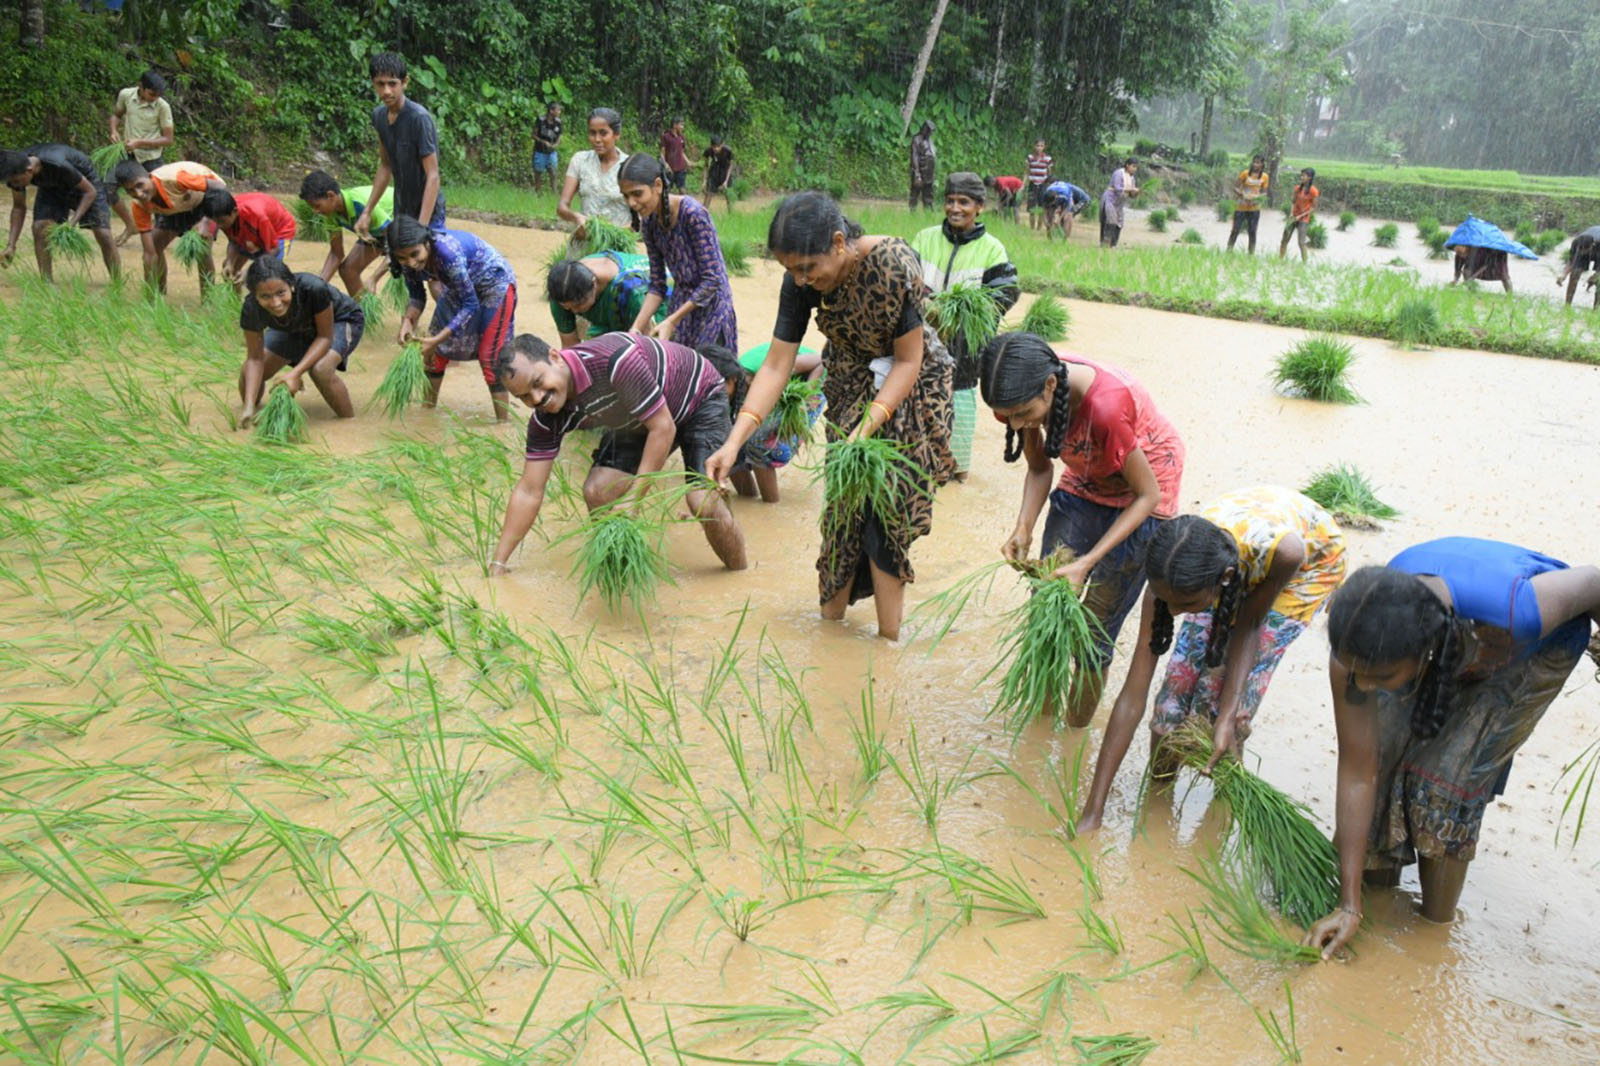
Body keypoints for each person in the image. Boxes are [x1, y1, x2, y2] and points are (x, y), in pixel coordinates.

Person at [1303, 540, 1600, 960]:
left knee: (1445, 781)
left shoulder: (1518, 612)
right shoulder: (1359, 644)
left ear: (1424, 652)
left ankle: (1434, 932)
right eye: (1357, 673)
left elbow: (1593, 581)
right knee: (1382, 767)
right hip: (1436, 638)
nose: (1364, 685)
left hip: (1531, 647)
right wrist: (1349, 904)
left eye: (1380, 677)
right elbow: (1358, 771)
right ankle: (1374, 898)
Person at [705, 192, 956, 641]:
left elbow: (908, 361)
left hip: (912, 388)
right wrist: (733, 442)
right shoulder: (799, 282)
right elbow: (776, 366)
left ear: (839, 242)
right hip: (850, 380)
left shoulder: (891, 264)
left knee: (884, 513)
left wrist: (866, 430)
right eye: (790, 270)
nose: (801, 280)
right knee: (843, 512)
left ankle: (888, 641)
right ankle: (831, 629)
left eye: (807, 268)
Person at [1076, 487, 1347, 832]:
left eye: (1185, 605)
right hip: (1226, 559)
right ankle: (1159, 790)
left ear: (1224, 581)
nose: (1175, 613)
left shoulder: (1285, 554)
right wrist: (1093, 810)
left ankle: (1225, 802)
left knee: (1220, 706)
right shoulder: (1170, 573)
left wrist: (1228, 714)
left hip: (1306, 566)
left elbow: (1249, 624)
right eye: (1169, 602)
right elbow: (1133, 695)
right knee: (1174, 694)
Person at [977, 331, 1185, 725]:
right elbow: (1040, 468)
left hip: (1145, 487)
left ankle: (1075, 733)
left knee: (1093, 632)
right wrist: (1023, 526)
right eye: (1008, 416)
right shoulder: (1019, 392)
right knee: (1047, 610)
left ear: (1050, 386)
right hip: (1088, 475)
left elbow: (1148, 495)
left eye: (1023, 413)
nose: (1017, 423)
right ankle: (1040, 728)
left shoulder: (1106, 407)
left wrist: (1086, 562)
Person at [489, 331, 747, 575]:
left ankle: (740, 576)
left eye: (537, 382)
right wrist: (499, 562)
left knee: (702, 501)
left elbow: (663, 428)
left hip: (698, 398)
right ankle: (621, 576)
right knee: (598, 490)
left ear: (555, 357)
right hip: (639, 417)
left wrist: (633, 499)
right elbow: (529, 490)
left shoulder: (614, 362)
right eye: (524, 397)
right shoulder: (546, 418)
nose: (537, 398)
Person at [909, 172, 1019, 481]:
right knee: (917, 406)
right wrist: (928, 305)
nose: (955, 208)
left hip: (965, 350)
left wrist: (958, 317)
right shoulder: (925, 238)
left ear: (979, 207)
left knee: (960, 408)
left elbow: (1004, 293)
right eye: (950, 201)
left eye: (964, 202)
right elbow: (906, 278)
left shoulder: (992, 249)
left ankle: (956, 470)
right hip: (920, 342)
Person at [387, 215, 518, 421]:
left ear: (426, 243)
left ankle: (503, 425)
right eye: (403, 258)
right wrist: (407, 322)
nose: (411, 263)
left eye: (415, 254)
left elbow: (470, 304)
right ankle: (427, 414)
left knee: (490, 357)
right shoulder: (408, 264)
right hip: (460, 286)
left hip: (494, 285)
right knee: (434, 355)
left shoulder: (448, 254)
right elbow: (416, 297)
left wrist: (436, 339)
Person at [618, 154, 737, 350]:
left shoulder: (693, 214)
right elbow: (657, 284)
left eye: (637, 194)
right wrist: (636, 328)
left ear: (658, 185)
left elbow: (712, 280)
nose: (631, 202)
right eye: (626, 196)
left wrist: (673, 320)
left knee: (707, 367)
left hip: (712, 310)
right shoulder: (649, 223)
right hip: (681, 307)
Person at [236, 256, 363, 426]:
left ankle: (348, 425)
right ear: (254, 295)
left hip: (340, 319)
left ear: (291, 286)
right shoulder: (251, 308)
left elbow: (324, 337)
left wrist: (296, 373)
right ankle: (252, 415)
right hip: (294, 328)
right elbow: (254, 359)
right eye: (265, 296)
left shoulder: (313, 288)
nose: (276, 303)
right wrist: (248, 405)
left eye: (281, 293)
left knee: (321, 369)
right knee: (248, 372)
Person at [697, 342, 823, 503]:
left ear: (732, 379)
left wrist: (806, 401)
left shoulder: (761, 373)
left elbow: (821, 361)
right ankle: (748, 499)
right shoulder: (728, 391)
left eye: (718, 390)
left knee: (760, 444)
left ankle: (771, 505)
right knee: (727, 443)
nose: (713, 396)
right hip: (775, 389)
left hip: (807, 387)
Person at [358, 53, 444, 242]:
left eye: (392, 84)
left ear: (404, 82)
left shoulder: (419, 118)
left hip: (429, 212)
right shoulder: (379, 116)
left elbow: (433, 175)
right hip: (401, 208)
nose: (386, 91)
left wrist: (420, 228)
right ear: (373, 84)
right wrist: (367, 211)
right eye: (380, 84)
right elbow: (385, 165)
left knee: (423, 258)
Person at [1, 145, 119, 282]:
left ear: (29, 170)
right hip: (52, 187)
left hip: (86, 185)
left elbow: (90, 192)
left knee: (103, 234)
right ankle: (47, 282)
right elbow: (18, 207)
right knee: (39, 228)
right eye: (11, 183)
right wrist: (11, 245)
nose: (16, 185)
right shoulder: (16, 168)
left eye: (16, 181)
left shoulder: (58, 164)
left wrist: (71, 223)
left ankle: (117, 283)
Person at [112, 158, 223, 293]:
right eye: (130, 191)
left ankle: (208, 299)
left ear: (149, 176)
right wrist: (149, 296)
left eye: (139, 185)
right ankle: (159, 294)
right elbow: (149, 253)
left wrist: (205, 221)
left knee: (202, 249)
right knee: (154, 245)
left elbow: (220, 187)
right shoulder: (139, 205)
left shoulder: (175, 179)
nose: (138, 193)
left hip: (206, 200)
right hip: (175, 206)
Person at [298, 170, 392, 297]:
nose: (315, 211)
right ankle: (364, 309)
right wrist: (318, 286)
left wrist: (374, 278)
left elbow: (398, 242)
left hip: (400, 224)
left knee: (408, 270)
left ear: (331, 196)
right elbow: (336, 254)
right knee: (348, 270)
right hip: (376, 232)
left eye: (317, 206)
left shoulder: (361, 204)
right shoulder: (330, 214)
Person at [106, 70, 174, 246]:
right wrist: (113, 130)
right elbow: (116, 115)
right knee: (107, 188)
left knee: (159, 196)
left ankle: (158, 238)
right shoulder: (126, 95)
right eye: (151, 94)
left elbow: (168, 139)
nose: (155, 98)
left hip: (151, 157)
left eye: (158, 95)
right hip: (127, 155)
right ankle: (131, 225)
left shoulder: (163, 106)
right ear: (141, 87)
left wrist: (140, 143)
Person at [546, 252, 668, 347]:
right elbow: (570, 347)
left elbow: (648, 349)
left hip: (661, 307)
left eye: (579, 305)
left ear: (594, 284)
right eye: (568, 308)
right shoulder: (562, 292)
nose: (574, 311)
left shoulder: (630, 290)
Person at [558, 107, 631, 237]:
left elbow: (642, 218)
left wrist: (615, 233)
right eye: (592, 133)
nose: (597, 139)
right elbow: (562, 207)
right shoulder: (580, 161)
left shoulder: (629, 166)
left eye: (603, 133)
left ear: (616, 135)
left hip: (618, 242)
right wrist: (576, 217)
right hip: (585, 241)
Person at [200, 189, 296, 286]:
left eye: (221, 222)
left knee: (266, 272)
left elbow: (274, 249)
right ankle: (234, 296)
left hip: (280, 231)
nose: (219, 226)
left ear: (235, 211)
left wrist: (249, 271)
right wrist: (229, 262)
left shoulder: (257, 216)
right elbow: (233, 241)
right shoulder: (223, 216)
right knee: (232, 269)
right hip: (255, 229)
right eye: (215, 222)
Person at [1227, 155, 1269, 253]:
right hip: (1241, 206)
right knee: (1235, 230)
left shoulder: (1265, 177)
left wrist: (1257, 198)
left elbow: (1264, 192)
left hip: (1254, 208)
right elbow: (1235, 187)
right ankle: (1228, 251)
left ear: (1262, 164)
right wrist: (1242, 194)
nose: (1255, 164)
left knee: (1252, 231)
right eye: (1254, 162)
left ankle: (1251, 254)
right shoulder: (1245, 173)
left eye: (1258, 163)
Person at [1554, 225, 1600, 307]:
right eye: (1580, 249)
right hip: (1588, 246)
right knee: (1574, 275)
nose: (1582, 252)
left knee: (1598, 281)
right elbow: (1571, 261)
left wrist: (1596, 275)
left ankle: (1595, 309)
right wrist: (1563, 275)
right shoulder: (1576, 242)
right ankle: (1567, 306)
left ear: (1592, 245)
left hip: (1598, 250)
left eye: (1584, 249)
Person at [1279, 168, 1319, 261]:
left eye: (1304, 176)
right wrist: (1291, 213)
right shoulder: (1297, 188)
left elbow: (1313, 208)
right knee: (1284, 239)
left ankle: (1304, 263)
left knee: (1301, 243)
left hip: (1303, 219)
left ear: (1310, 177)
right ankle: (1280, 259)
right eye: (1301, 175)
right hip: (1293, 217)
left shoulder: (1313, 191)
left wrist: (1300, 216)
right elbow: (1293, 202)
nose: (1301, 177)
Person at [1099, 158, 1139, 248]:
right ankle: (1105, 244)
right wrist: (1132, 189)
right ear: (1127, 165)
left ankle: (1112, 245)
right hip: (1110, 200)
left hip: (1119, 203)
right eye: (1133, 166)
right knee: (1111, 221)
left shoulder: (1132, 178)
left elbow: (1131, 195)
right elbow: (1117, 188)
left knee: (1119, 224)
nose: (1134, 169)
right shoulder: (1118, 173)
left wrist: (1137, 193)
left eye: (1136, 167)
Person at [531, 102, 564, 195]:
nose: (559, 112)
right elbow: (533, 135)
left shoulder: (558, 122)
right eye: (558, 110)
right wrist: (543, 142)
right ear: (551, 111)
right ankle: (538, 193)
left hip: (552, 152)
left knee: (553, 172)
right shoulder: (540, 120)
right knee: (538, 173)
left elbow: (560, 135)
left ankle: (554, 193)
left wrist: (556, 144)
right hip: (540, 151)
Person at [702, 136, 735, 216]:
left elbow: (731, 165)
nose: (716, 149)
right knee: (709, 192)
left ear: (722, 145)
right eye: (714, 147)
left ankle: (731, 214)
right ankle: (703, 213)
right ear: (711, 146)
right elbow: (705, 165)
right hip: (714, 171)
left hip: (725, 171)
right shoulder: (708, 151)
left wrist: (726, 181)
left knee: (728, 194)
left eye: (718, 146)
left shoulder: (728, 150)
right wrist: (704, 180)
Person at [909, 120, 937, 211]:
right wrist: (917, 173)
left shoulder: (930, 140)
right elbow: (914, 157)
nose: (930, 133)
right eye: (929, 131)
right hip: (920, 171)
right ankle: (912, 211)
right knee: (915, 193)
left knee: (928, 194)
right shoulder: (917, 139)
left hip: (929, 172)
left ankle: (928, 212)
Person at [1025, 140, 1053, 231]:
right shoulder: (1030, 158)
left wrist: (1049, 185)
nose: (1039, 148)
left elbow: (1049, 173)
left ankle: (1038, 228)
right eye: (1037, 145)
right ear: (1034, 146)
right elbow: (1027, 172)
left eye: (1041, 146)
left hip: (1043, 185)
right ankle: (1032, 228)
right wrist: (1023, 184)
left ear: (1044, 147)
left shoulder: (1047, 159)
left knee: (1042, 207)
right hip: (1032, 184)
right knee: (1031, 208)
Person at [660, 117, 689, 192]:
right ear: (674, 125)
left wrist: (688, 162)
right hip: (670, 169)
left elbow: (682, 152)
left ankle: (683, 200)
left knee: (682, 190)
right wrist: (666, 165)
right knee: (668, 190)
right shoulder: (666, 137)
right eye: (681, 125)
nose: (682, 127)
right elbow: (662, 154)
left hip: (680, 168)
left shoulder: (682, 137)